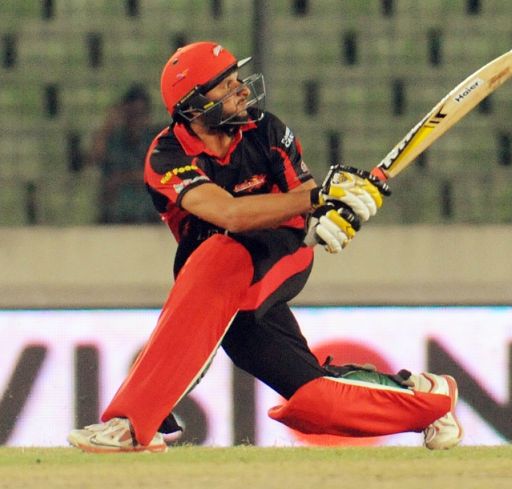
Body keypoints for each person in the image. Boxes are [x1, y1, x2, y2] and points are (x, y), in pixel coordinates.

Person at [67, 41, 462, 453]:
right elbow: (230, 214)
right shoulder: (166, 156)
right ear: (193, 105)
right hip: (217, 277)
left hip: (282, 250)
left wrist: (336, 213)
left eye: (237, 79)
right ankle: (428, 401)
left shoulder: (266, 130)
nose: (241, 90)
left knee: (219, 259)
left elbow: (308, 197)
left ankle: (132, 425)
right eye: (225, 86)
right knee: (316, 399)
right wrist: (320, 198)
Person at [88, 83, 161, 223]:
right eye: (131, 114)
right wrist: (107, 126)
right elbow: (93, 159)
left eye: (140, 114)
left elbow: (156, 175)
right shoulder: (114, 139)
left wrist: (121, 178)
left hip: (148, 216)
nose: (136, 120)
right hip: (115, 215)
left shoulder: (155, 140)